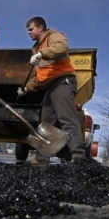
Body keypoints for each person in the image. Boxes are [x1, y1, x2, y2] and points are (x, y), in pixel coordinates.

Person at [17, 16, 85, 165]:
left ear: (40, 28)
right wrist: (26, 89)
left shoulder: (54, 37)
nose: (28, 33)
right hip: (51, 86)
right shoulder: (36, 48)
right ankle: (41, 159)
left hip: (63, 82)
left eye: (31, 29)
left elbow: (60, 48)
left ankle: (79, 157)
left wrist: (41, 54)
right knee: (47, 123)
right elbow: (39, 75)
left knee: (67, 119)